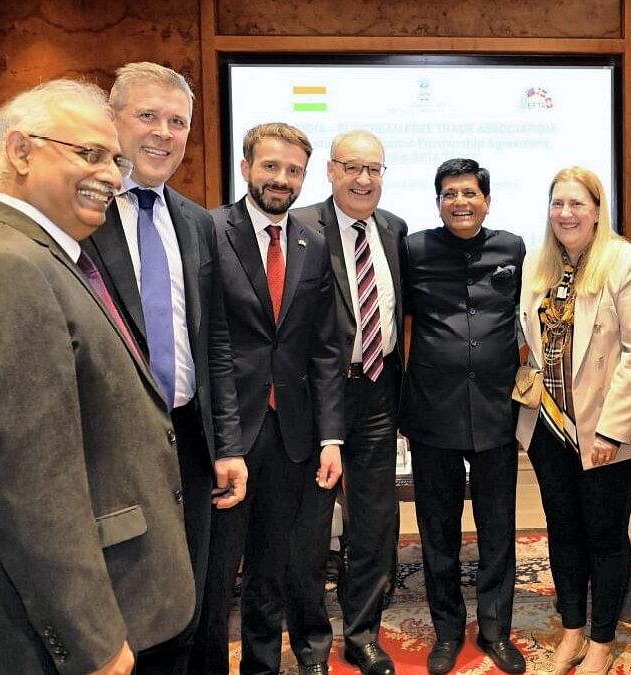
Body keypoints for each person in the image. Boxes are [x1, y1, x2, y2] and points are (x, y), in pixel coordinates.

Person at [0, 79, 194, 674]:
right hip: (35, 627)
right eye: (89, 154)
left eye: (114, 160)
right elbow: (26, 484)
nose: (111, 174)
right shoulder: (4, 266)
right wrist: (92, 640)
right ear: (20, 152)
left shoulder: (40, 253)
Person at [83, 62, 246, 674]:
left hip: (191, 442)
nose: (164, 133)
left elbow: (215, 344)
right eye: (148, 116)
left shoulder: (196, 222)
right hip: (110, 452)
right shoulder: (81, 218)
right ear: (112, 121)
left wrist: (227, 445)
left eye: (178, 122)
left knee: (194, 598)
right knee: (126, 606)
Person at [191, 123, 345, 675]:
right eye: (271, 167)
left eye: (294, 170)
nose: (282, 179)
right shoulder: (208, 231)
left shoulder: (311, 240)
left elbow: (325, 348)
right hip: (227, 435)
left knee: (271, 567)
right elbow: (203, 339)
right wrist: (222, 436)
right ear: (246, 169)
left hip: (292, 436)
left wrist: (331, 436)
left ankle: (262, 666)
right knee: (215, 571)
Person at [517, 166, 631, 675]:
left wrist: (611, 431)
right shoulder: (538, 262)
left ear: (598, 210)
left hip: (604, 431)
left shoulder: (626, 262)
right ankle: (573, 627)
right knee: (563, 531)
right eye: (558, 204)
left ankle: (601, 637)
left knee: (604, 533)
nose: (566, 213)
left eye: (577, 203)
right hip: (548, 428)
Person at [400, 158, 527, 674]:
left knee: (498, 530)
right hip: (433, 413)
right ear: (438, 202)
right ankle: (447, 632)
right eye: (450, 193)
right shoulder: (413, 249)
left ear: (487, 200)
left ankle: (496, 629)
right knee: (439, 533)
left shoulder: (512, 247)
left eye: (470, 193)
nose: (460, 202)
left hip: (497, 413)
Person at [292, 129, 407, 675]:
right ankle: (311, 644)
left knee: (374, 522)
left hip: (378, 392)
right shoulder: (300, 226)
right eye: (353, 167)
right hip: (319, 397)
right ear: (331, 170)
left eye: (375, 169)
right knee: (311, 527)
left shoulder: (393, 229)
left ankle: (363, 634)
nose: (364, 179)